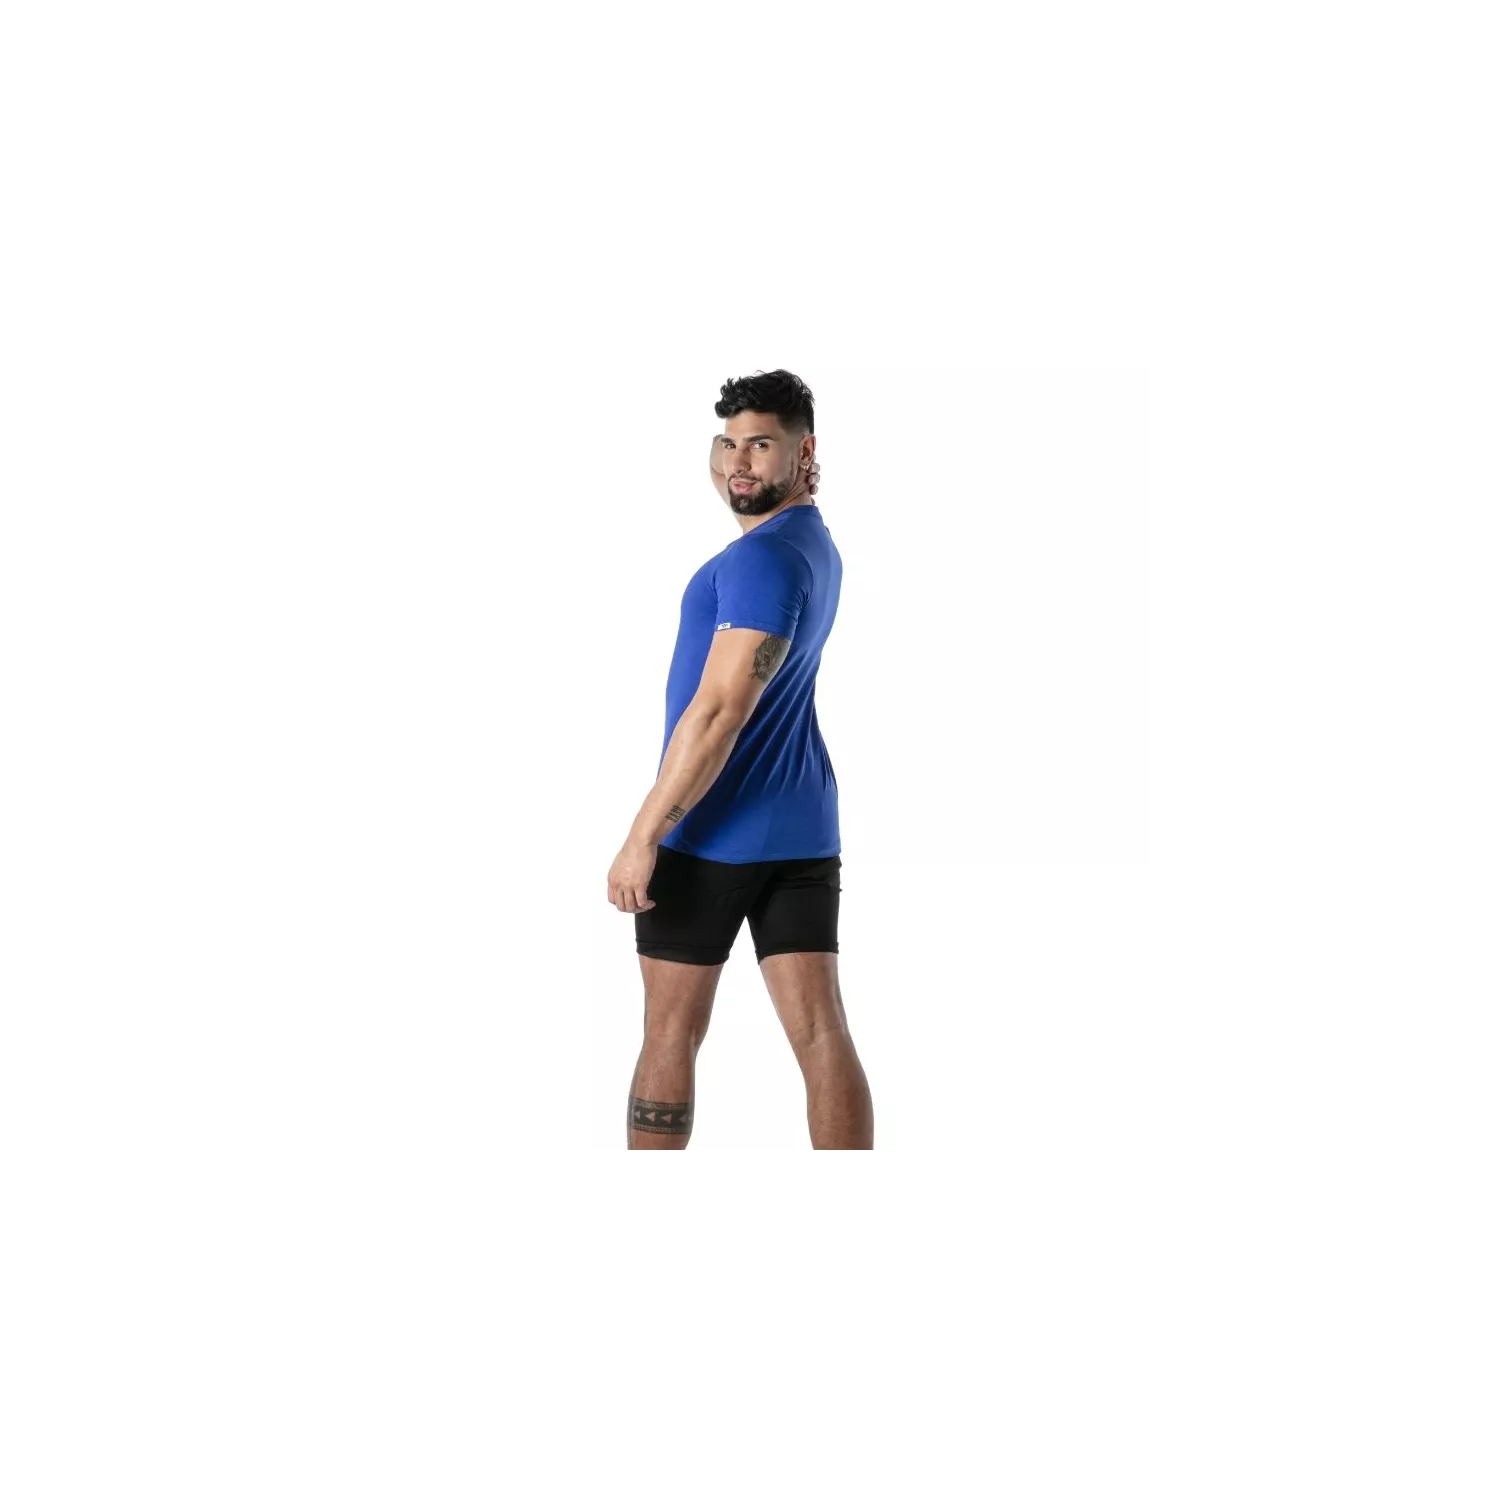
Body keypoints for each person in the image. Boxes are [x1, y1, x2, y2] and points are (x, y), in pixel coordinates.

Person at [606, 369, 874, 1151]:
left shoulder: (760, 562)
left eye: (760, 445)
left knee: (669, 1031)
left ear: (804, 452)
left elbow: (721, 710)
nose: (737, 463)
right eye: (727, 444)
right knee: (821, 1032)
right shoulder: (811, 545)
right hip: (802, 829)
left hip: (710, 834)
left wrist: (644, 835)